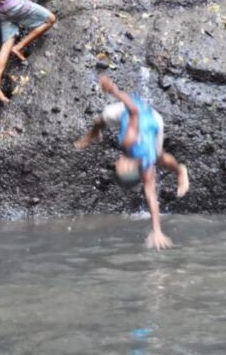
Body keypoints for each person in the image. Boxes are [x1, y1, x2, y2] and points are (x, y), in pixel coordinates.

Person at [74, 74, 189, 250]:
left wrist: (157, 230)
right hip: (147, 118)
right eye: (117, 168)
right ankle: (180, 169)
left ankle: (180, 171)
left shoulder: (142, 162)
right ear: (128, 167)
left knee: (155, 155)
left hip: (144, 124)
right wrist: (113, 90)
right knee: (156, 156)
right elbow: (133, 109)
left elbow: (150, 194)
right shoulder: (130, 142)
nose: (115, 165)